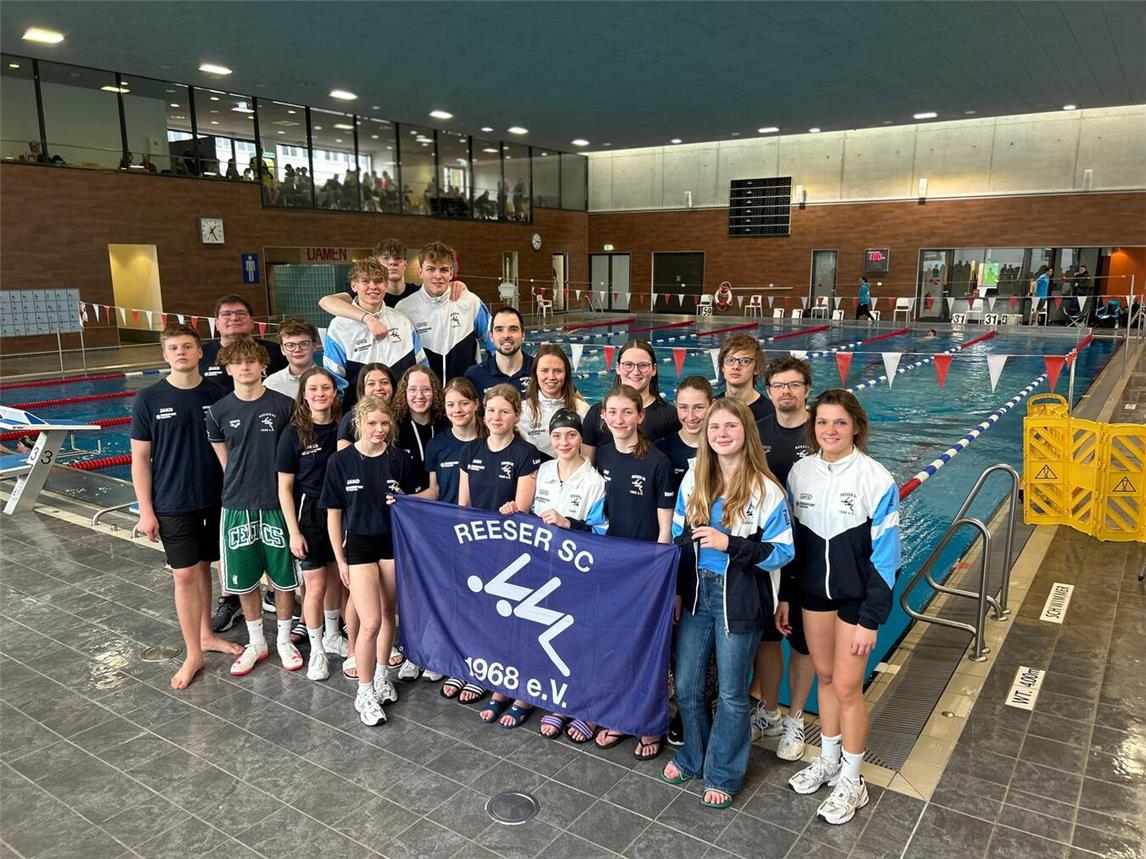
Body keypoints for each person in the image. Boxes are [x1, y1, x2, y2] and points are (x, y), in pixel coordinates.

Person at [663, 397, 794, 809]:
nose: (721, 434)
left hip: (740, 596)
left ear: (746, 433)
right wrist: (678, 588)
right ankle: (693, 756)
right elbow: (683, 540)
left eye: (730, 427)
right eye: (714, 427)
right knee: (686, 685)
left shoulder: (766, 490)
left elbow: (783, 551)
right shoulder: (694, 480)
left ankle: (723, 772)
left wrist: (731, 544)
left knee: (735, 694)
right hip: (698, 591)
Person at [785, 389, 901, 826]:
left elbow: (887, 558)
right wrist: (788, 597)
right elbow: (793, 543)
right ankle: (828, 760)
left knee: (849, 688)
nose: (829, 430)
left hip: (856, 600)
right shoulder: (800, 473)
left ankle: (854, 779)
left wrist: (871, 618)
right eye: (822, 423)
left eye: (839, 422)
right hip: (814, 596)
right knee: (827, 676)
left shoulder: (875, 478)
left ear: (856, 427)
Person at [130, 324, 242, 690]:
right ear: (165, 355)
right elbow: (140, 459)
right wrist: (146, 510)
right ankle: (193, 652)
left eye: (188, 346)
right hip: (172, 501)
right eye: (174, 348)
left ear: (199, 353)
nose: (181, 353)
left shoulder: (218, 394)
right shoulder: (148, 399)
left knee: (206, 567)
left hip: (216, 498)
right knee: (184, 575)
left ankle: (206, 634)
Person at [322, 397, 426, 726]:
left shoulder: (400, 460)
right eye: (372, 424)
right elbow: (333, 516)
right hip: (360, 547)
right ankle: (363, 692)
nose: (379, 430)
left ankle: (382, 675)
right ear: (359, 425)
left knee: (386, 613)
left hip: (392, 545)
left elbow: (425, 498)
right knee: (369, 623)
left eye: (384, 424)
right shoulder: (340, 462)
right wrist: (340, 560)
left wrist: (407, 499)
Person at [204, 340, 298, 677]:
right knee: (243, 581)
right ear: (228, 369)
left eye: (252, 361)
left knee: (284, 580)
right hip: (237, 504)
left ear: (263, 367)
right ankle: (257, 641)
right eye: (238, 362)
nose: (245, 367)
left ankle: (285, 640)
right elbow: (226, 463)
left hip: (276, 504)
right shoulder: (217, 413)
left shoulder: (284, 405)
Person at [593, 384, 676, 758]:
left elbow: (665, 529)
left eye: (628, 412)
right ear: (603, 417)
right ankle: (617, 713)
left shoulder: (656, 463)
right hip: (610, 566)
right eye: (613, 412)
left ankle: (647, 723)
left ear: (641, 416)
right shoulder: (604, 458)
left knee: (646, 648)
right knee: (613, 644)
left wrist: (662, 579)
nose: (620, 419)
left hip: (643, 571)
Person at [453, 385, 542, 724]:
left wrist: (514, 509)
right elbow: (464, 506)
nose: (496, 417)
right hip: (480, 549)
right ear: (483, 413)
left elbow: (523, 507)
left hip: (514, 554)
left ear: (516, 415)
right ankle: (498, 684)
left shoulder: (526, 453)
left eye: (504, 411)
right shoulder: (471, 451)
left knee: (516, 622)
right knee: (490, 619)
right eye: (491, 411)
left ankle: (521, 693)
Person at [520, 408, 608, 741]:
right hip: (543, 569)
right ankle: (557, 702)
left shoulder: (594, 482)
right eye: (557, 436)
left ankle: (582, 706)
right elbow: (528, 515)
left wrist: (569, 524)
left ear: (580, 438)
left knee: (577, 640)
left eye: (571, 434)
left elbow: (602, 531)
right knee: (547, 636)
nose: (564, 441)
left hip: (577, 573)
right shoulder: (541, 472)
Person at [752, 356, 815, 761]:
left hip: (812, 550)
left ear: (806, 389)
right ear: (769, 389)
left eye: (794, 384)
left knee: (805, 641)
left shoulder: (822, 429)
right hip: (771, 549)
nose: (786, 392)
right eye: (778, 385)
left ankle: (796, 718)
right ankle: (770, 711)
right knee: (768, 636)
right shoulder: (758, 432)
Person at [275, 368, 345, 682]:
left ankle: (332, 635)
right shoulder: (294, 433)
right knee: (315, 586)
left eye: (326, 388)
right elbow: (284, 488)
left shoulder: (345, 426)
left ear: (334, 392)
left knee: (335, 579)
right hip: (310, 514)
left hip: (341, 512)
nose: (320, 394)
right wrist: (293, 531)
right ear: (304, 394)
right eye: (313, 388)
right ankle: (316, 648)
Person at [426, 377, 487, 701]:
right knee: (454, 601)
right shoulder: (438, 445)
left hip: (485, 536)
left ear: (476, 404)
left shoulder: (491, 437)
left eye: (464, 403)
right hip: (448, 534)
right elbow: (434, 490)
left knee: (481, 603)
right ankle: (455, 661)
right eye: (451, 404)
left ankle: (479, 666)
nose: (458, 409)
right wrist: (406, 499)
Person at [322, 257, 427, 408]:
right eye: (365, 281)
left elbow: (422, 367)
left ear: (386, 284)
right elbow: (334, 380)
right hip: (361, 415)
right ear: (354, 286)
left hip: (403, 411)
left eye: (378, 281)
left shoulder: (402, 321)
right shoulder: (339, 327)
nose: (373, 286)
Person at [318, 239, 467, 339]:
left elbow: (438, 290)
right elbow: (326, 301)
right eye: (386, 259)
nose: (392, 263)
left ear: (405, 264)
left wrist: (456, 285)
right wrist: (367, 318)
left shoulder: (418, 293)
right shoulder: (368, 296)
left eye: (397, 259)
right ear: (377, 263)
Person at [397, 241, 494, 383]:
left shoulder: (469, 301)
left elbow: (495, 340)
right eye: (431, 269)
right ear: (420, 272)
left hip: (465, 395)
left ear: (451, 273)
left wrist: (491, 377)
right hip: (425, 397)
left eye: (443, 270)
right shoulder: (404, 309)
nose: (438, 276)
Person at [582, 339, 680, 460]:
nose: (635, 371)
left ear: (654, 369)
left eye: (643, 365)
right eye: (628, 364)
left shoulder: (670, 416)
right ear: (617, 368)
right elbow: (586, 467)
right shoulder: (596, 413)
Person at [199, 294, 286, 392]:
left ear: (252, 322)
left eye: (241, 313)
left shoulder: (278, 352)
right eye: (226, 314)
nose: (234, 318)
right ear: (217, 324)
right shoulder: (199, 355)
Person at [518, 344, 589, 457]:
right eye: (544, 370)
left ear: (566, 374)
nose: (551, 377)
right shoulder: (522, 412)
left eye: (557, 371)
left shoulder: (582, 409)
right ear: (535, 373)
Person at [392, 366, 448, 484]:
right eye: (412, 389)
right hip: (408, 498)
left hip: (444, 497)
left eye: (426, 389)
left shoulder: (447, 425)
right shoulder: (394, 428)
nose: (419, 396)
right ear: (404, 393)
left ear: (435, 392)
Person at [656, 376, 713, 489]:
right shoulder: (660, 449)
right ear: (675, 405)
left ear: (712, 405)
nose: (691, 417)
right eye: (683, 408)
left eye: (698, 408)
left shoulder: (722, 449)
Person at [464, 306, 533, 396]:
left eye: (513, 329)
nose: (506, 335)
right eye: (499, 330)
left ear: (523, 335)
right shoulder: (475, 376)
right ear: (491, 337)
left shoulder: (539, 370)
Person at [718, 333, 775, 426]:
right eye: (730, 360)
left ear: (756, 368)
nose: (736, 367)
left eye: (745, 361)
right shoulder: (712, 406)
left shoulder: (770, 412)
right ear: (722, 367)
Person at [337, 363, 396, 448]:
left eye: (384, 382)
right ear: (362, 389)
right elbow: (343, 458)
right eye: (371, 384)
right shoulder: (351, 418)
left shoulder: (402, 414)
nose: (378, 388)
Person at [265, 318, 324, 401]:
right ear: (282, 349)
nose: (297, 350)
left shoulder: (329, 380)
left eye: (304, 344)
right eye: (290, 345)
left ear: (314, 346)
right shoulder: (271, 384)